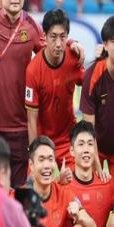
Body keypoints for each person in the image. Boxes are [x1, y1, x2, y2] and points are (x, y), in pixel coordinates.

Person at [0, 0, 83, 187]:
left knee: (21, 193)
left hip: (22, 129)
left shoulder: (32, 27)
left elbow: (53, 45)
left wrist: (72, 43)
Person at [25, 9, 84, 168]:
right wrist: (34, 153)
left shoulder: (74, 58)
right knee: (33, 183)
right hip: (43, 142)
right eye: (53, 37)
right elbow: (31, 120)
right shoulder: (33, 70)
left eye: (63, 37)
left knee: (80, 180)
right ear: (44, 36)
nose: (58, 44)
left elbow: (91, 88)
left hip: (68, 141)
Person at [80, 16, 114, 191]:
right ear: (105, 45)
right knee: (93, 194)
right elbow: (88, 129)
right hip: (97, 148)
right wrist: (97, 167)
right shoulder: (92, 75)